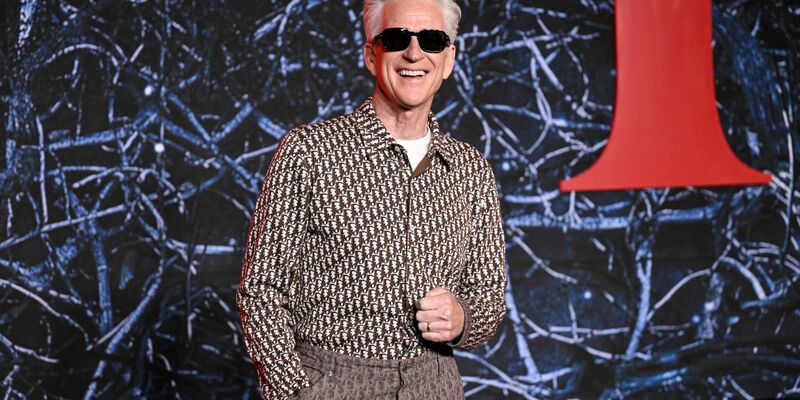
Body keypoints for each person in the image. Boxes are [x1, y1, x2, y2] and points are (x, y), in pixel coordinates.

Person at [236, 0, 506, 398]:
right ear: (370, 53)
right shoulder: (309, 151)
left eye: (432, 40)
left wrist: (464, 318)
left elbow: (488, 297)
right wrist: (296, 393)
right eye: (397, 38)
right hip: (330, 383)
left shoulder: (469, 169)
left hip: (435, 386)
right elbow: (260, 290)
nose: (414, 53)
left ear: (448, 60)